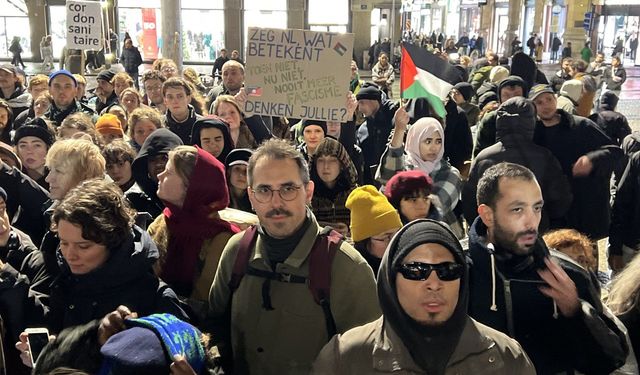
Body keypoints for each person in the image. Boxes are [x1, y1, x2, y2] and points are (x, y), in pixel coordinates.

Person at [207, 138, 380, 374]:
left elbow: (370, 359)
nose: (276, 202)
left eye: (288, 188)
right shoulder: (236, 251)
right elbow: (215, 327)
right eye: (264, 190)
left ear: (308, 191)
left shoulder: (347, 268)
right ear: (251, 195)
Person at [312, 219, 536, 374]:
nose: (434, 284)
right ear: (391, 278)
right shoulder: (345, 358)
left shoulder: (506, 356)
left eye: (448, 270)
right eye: (416, 271)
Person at [466, 162, 628, 374]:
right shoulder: (456, 274)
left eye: (537, 208)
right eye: (517, 209)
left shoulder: (569, 274)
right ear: (487, 215)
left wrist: (577, 312)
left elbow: (609, 361)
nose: (531, 221)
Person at [149, 146, 239, 317]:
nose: (160, 175)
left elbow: (204, 304)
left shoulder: (221, 240)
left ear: (192, 187)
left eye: (169, 173)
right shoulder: (165, 219)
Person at [463, 96, 572, 232]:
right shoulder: (544, 156)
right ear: (531, 122)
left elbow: (470, 200)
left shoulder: (484, 157)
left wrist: (486, 226)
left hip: (495, 232)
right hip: (534, 231)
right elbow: (560, 200)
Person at [530, 84, 622, 240]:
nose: (546, 105)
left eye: (549, 99)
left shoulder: (581, 126)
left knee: (586, 259)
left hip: (584, 210)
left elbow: (614, 152)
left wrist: (592, 159)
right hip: (551, 214)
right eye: (539, 102)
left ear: (556, 99)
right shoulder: (533, 133)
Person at [377, 114, 463, 237]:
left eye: (438, 141)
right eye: (428, 141)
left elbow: (436, 206)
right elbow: (388, 180)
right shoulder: (404, 165)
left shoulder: (450, 173)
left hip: (439, 236)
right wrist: (399, 130)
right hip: (398, 237)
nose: (434, 147)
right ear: (414, 140)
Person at [309, 137, 358, 237]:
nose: (326, 166)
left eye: (332, 160)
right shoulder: (307, 195)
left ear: (342, 164)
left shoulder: (356, 194)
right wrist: (323, 227)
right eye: (321, 160)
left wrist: (349, 229)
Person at [131, 128, 184, 218]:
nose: (159, 164)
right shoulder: (136, 203)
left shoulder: (195, 198)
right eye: (152, 160)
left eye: (164, 158)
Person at [355, 83, 399, 185]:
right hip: (371, 183)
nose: (360, 108)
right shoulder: (362, 130)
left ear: (373, 101)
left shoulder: (395, 121)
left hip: (393, 179)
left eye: (362, 103)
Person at [14, 119, 56, 189]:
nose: (29, 151)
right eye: (23, 146)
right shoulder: (12, 179)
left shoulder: (59, 178)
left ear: (48, 148)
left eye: (37, 145)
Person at [162, 77, 203, 145]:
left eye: (180, 96)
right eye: (170, 97)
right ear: (165, 101)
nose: (175, 101)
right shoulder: (160, 125)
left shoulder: (201, 124)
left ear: (188, 98)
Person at [225, 148, 253, 213]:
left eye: (246, 171)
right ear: (229, 172)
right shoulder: (218, 197)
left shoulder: (257, 201)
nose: (241, 175)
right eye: (237, 169)